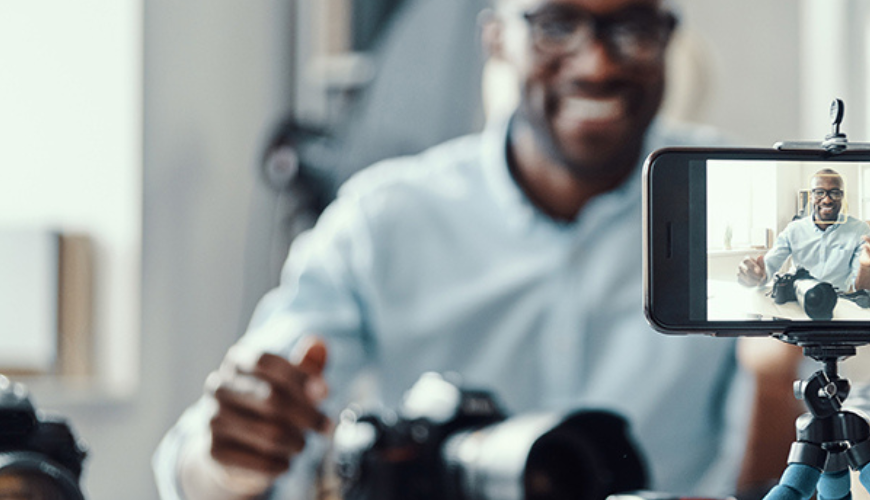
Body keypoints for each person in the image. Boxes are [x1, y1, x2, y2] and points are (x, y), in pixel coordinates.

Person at [153, 0, 803, 499]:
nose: (598, 64)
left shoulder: (744, 204)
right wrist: (229, 459)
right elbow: (201, 457)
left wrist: (773, 382)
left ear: (667, 37)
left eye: (631, 27)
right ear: (495, 38)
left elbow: (788, 479)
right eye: (556, 25)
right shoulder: (385, 220)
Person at [738, 168, 870, 294]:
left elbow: (862, 290)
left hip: (837, 302)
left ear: (841, 197)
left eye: (834, 193)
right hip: (798, 300)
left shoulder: (859, 230)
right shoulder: (794, 229)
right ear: (811, 197)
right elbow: (769, 266)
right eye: (819, 192)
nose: (827, 200)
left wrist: (865, 266)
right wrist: (756, 275)